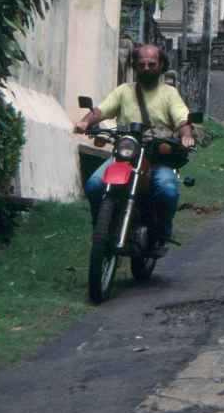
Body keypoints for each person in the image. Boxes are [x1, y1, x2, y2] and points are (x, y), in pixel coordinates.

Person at [75, 44, 195, 258]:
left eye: (152, 64)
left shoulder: (169, 94)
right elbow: (101, 110)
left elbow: (181, 118)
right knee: (94, 185)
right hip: (124, 157)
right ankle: (101, 232)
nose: (147, 68)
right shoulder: (123, 91)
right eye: (142, 64)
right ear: (135, 67)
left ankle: (161, 235)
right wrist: (85, 121)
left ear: (161, 67)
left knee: (168, 190)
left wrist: (186, 134)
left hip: (156, 158)